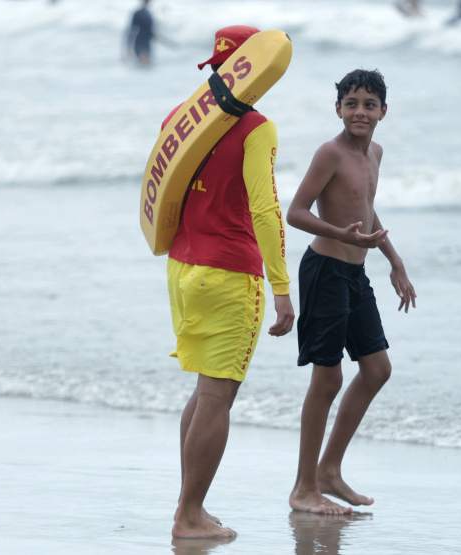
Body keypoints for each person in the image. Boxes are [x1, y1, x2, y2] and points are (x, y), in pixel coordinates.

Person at [167, 25, 295, 538]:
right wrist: (282, 289)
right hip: (227, 273)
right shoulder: (256, 127)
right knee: (218, 396)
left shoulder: (180, 119)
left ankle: (189, 507)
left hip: (181, 268)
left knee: (204, 393)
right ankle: (188, 515)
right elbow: (265, 211)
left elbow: (164, 191)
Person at [286, 69, 417, 515]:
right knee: (328, 378)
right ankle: (304, 487)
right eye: (351, 103)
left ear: (383, 111)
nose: (360, 111)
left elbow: (366, 208)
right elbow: (297, 213)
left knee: (377, 369)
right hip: (324, 271)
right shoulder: (330, 153)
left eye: (369, 104)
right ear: (338, 108)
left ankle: (329, 472)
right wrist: (339, 232)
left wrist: (394, 260)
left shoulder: (375, 152)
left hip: (356, 272)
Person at [124, 0, 155, 65]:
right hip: (140, 43)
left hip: (147, 43)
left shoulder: (149, 14)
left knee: (147, 65)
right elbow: (131, 31)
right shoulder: (137, 14)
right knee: (143, 64)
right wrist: (128, 48)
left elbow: (150, 32)